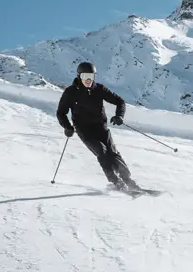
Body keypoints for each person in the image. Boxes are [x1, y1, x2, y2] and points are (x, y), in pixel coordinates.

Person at [56, 62, 140, 191]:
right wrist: (67, 126)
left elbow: (120, 101)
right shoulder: (71, 92)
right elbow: (61, 112)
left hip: (101, 126)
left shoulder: (99, 89)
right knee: (101, 151)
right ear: (79, 76)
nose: (88, 79)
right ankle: (116, 182)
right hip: (84, 129)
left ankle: (128, 180)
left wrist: (119, 116)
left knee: (112, 152)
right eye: (85, 76)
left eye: (91, 76)